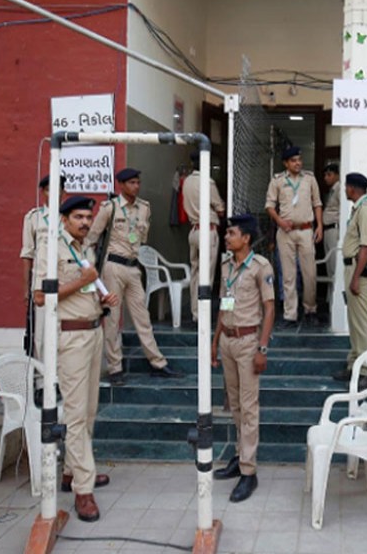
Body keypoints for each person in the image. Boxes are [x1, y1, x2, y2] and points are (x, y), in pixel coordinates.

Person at [33, 195, 119, 522]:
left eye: (88, 217)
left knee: (89, 408)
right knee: (76, 413)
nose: (85, 222)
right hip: (70, 337)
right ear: (65, 219)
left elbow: (83, 288)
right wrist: (80, 282)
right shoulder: (51, 247)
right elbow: (41, 295)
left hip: (93, 331)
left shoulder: (85, 248)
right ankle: (83, 491)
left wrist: (100, 295)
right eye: (79, 217)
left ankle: (72, 471)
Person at [87, 168, 182, 383]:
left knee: (142, 317)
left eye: (138, 182)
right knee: (112, 319)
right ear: (121, 185)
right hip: (113, 267)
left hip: (133, 267)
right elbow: (91, 238)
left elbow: (142, 238)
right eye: (131, 183)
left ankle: (157, 362)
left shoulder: (144, 208)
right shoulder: (109, 208)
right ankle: (115, 368)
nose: (136, 186)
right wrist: (91, 270)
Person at [211, 214, 275, 503]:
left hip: (249, 341)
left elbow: (270, 308)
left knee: (249, 407)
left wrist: (263, 348)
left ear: (246, 238)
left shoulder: (261, 267)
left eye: (232, 233)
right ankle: (239, 456)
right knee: (234, 404)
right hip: (227, 339)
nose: (227, 237)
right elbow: (224, 304)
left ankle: (249, 472)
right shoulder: (226, 265)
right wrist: (214, 342)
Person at [265, 146, 323, 327]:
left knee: (310, 273)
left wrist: (319, 225)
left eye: (299, 159)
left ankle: (310, 309)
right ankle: (290, 314)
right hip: (285, 233)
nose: (298, 163)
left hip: (306, 230)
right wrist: (279, 221)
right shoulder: (278, 181)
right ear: (286, 163)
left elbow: (317, 203)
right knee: (288, 275)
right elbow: (269, 206)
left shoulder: (309, 179)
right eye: (293, 160)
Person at [332, 173, 367, 387]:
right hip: (351, 268)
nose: (345, 191)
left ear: (352, 189)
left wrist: (356, 277)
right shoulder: (359, 209)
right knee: (354, 320)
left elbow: (366, 247)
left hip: (357, 270)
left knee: (362, 322)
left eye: (346, 187)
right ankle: (355, 365)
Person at [19, 174, 68, 359]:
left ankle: (60, 378)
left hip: (66, 282)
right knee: (40, 334)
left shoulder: (71, 217)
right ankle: (41, 381)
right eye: (49, 189)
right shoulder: (34, 218)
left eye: (58, 188)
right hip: (41, 283)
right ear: (44, 192)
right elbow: (27, 254)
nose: (54, 192)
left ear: (64, 192)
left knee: (64, 331)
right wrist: (26, 288)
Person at [182, 151, 226, 325]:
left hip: (193, 231)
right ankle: (203, 313)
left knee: (195, 273)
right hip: (207, 231)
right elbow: (220, 208)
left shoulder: (187, 181)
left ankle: (195, 313)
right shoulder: (207, 182)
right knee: (206, 275)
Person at [321, 163, 341, 284]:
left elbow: (344, 210)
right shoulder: (332, 190)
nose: (326, 178)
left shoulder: (339, 189)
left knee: (333, 266)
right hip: (328, 230)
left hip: (334, 229)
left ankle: (334, 300)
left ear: (337, 175)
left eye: (329, 174)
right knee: (329, 266)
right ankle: (330, 299)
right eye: (325, 175)